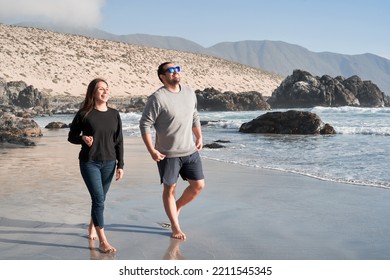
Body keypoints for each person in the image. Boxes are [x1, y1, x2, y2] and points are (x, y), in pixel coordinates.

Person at [139, 62, 205, 240]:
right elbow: (145, 123)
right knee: (170, 189)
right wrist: (151, 150)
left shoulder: (190, 92)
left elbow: (194, 114)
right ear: (162, 76)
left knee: (198, 185)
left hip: (190, 150)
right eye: (171, 70)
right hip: (168, 154)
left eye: (178, 69)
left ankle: (175, 209)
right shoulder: (157, 98)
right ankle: (175, 227)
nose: (176, 72)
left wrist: (198, 136)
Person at [68, 78, 124, 253]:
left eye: (107, 89)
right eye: (101, 89)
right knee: (99, 200)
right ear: (93, 93)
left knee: (100, 200)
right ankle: (103, 241)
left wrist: (120, 164)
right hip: (89, 162)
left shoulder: (114, 114)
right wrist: (82, 138)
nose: (105, 91)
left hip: (109, 163)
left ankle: (92, 227)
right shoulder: (84, 114)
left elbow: (119, 141)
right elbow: (71, 136)